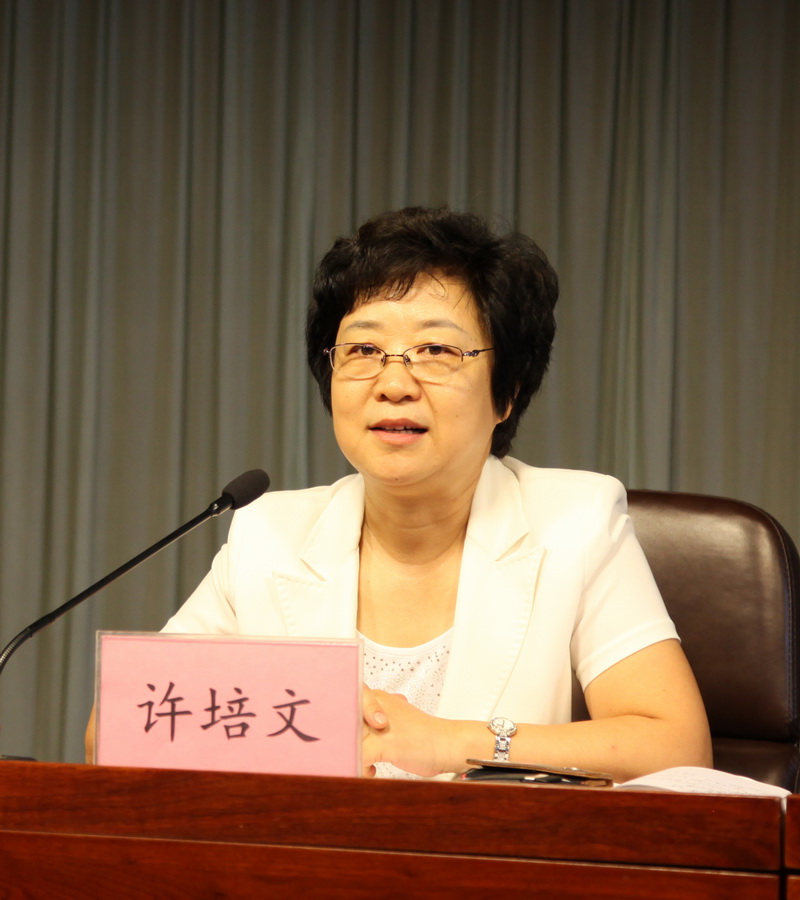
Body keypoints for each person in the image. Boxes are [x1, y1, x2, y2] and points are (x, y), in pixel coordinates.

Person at [88, 207, 712, 780]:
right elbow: (118, 731)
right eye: (363, 349)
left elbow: (675, 746)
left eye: (436, 350)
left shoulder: (575, 523)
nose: (393, 383)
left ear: (508, 392)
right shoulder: (268, 534)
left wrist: (448, 742)